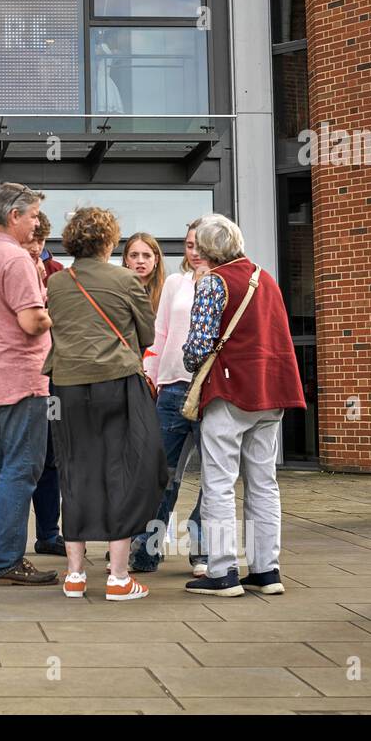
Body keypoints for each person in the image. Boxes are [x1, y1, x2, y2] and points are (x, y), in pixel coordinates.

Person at [45, 206, 165, 601]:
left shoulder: (58, 283)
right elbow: (146, 334)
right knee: (124, 471)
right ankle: (117, 577)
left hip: (65, 388)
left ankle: (75, 575)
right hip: (117, 382)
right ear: (110, 241)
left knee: (73, 470)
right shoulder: (126, 279)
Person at [182, 213, 306, 596]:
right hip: (271, 391)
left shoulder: (213, 283)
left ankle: (222, 572)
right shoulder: (265, 279)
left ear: (205, 249)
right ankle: (266, 570)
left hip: (228, 391)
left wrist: (189, 361)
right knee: (263, 483)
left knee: (219, 484)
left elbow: (197, 349)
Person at [0, 182, 56, 586]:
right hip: (20, 377)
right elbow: (31, 322)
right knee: (21, 469)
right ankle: (7, 562)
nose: (37, 223)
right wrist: (61, 310)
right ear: (14, 215)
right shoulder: (15, 259)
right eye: (34, 215)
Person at [132, 219, 210, 574]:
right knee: (162, 476)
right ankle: (146, 550)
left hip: (211, 390)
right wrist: (150, 379)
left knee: (213, 476)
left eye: (200, 244)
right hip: (172, 388)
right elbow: (159, 334)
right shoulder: (175, 284)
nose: (193, 252)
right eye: (189, 245)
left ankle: (202, 550)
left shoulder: (223, 283)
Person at [27, 212, 66, 556]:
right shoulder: (7, 267)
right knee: (16, 459)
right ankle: (0, 541)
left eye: (39, 241)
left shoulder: (59, 274)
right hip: (15, 377)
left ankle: (48, 533)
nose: (34, 247)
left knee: (50, 458)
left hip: (52, 377)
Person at [123, 232, 164, 316]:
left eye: (147, 256)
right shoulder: (117, 292)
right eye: (134, 255)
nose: (140, 261)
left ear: (156, 259)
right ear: (126, 259)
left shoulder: (166, 291)